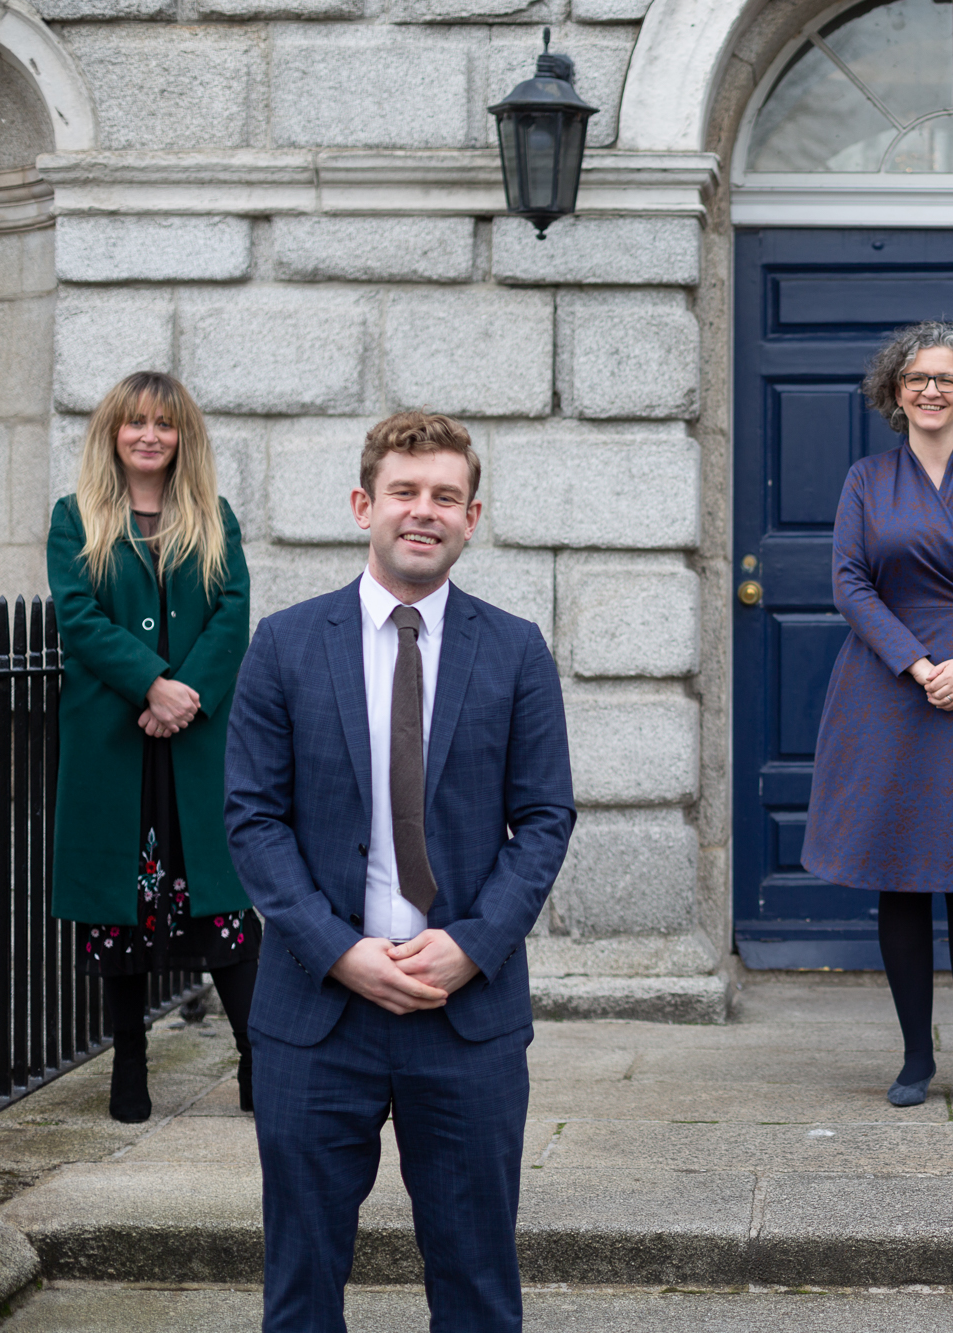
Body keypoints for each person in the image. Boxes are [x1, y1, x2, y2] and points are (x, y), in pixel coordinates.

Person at [225, 411, 575, 1332]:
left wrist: (474, 943)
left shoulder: (515, 650)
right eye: (405, 493)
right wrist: (338, 950)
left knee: (477, 1290)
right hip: (316, 1015)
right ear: (362, 505)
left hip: (466, 1017)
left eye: (445, 497)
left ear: (472, 516)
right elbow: (252, 819)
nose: (424, 512)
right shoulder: (286, 645)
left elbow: (544, 818)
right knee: (300, 1287)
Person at [801, 321, 953, 1111]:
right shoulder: (866, 479)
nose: (931, 389)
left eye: (947, 378)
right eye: (916, 377)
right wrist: (918, 662)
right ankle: (912, 1058)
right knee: (899, 878)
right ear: (894, 392)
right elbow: (850, 583)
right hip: (888, 688)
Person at [46, 370, 254, 1125]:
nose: (148, 435)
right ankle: (128, 1063)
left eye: (163, 424)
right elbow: (79, 616)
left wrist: (183, 693)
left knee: (224, 903)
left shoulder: (213, 516)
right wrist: (149, 686)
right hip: (114, 743)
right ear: (114, 432)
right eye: (135, 422)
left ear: (181, 437)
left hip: (192, 741)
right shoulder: (76, 518)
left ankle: (256, 1057)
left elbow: (233, 614)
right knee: (123, 909)